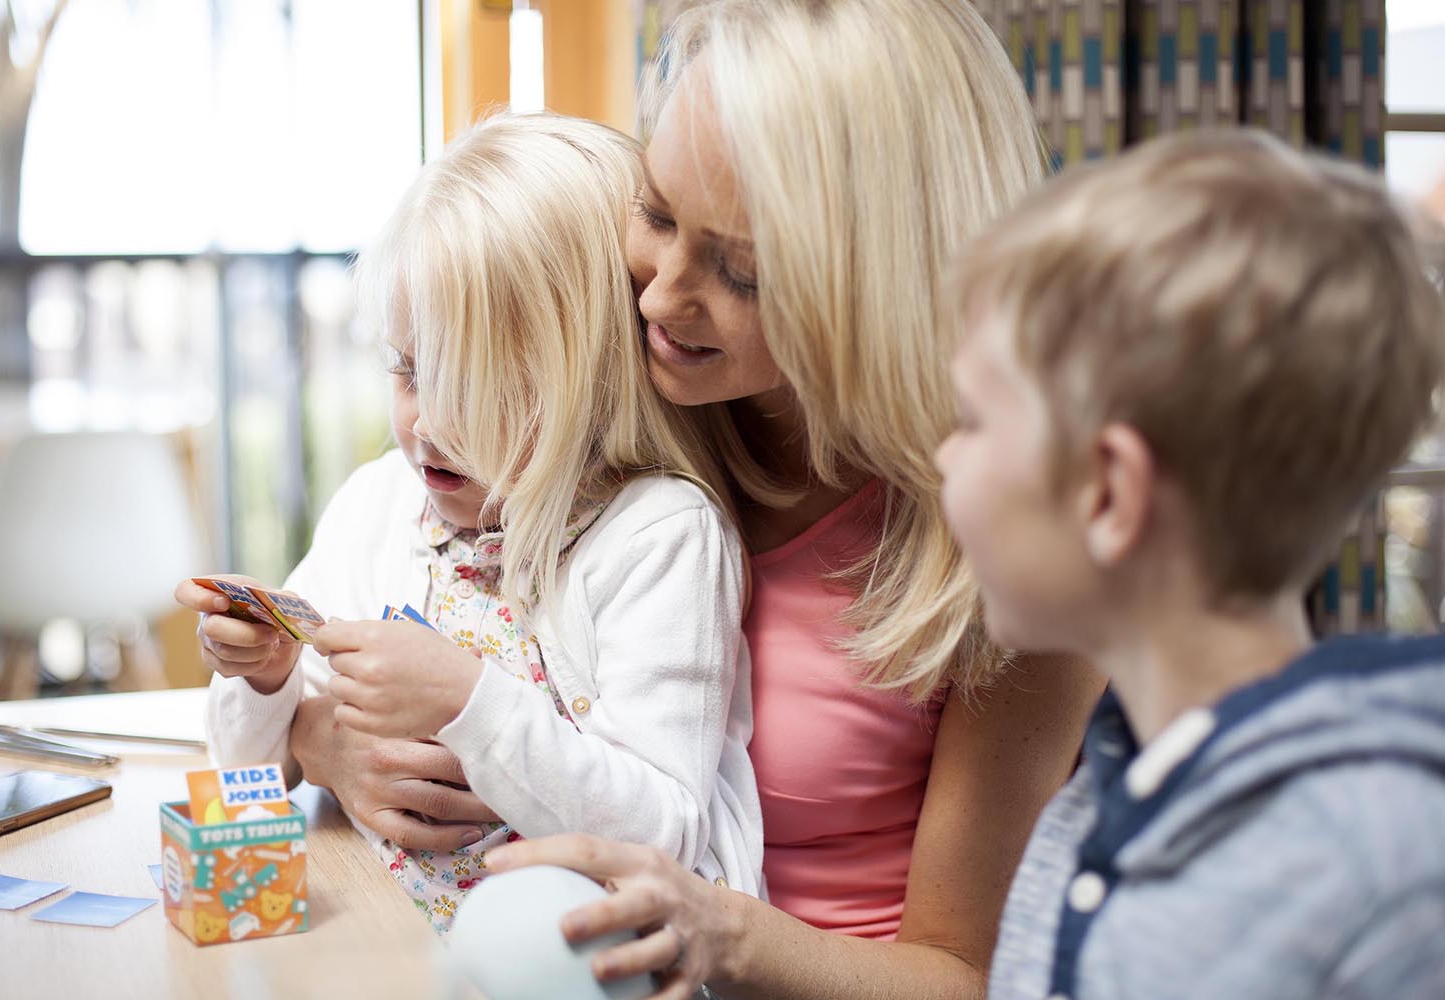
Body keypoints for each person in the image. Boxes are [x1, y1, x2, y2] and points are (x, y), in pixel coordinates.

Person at [477, 1, 1104, 996]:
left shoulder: (1015, 544)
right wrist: (323, 733)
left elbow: (965, 975)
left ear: (882, 284)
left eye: (743, 272)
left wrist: (722, 932)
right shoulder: (632, 385)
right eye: (655, 210)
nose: (659, 294)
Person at [175, 113, 763, 935]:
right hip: (371, 932)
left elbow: (663, 834)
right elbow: (242, 773)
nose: (431, 425)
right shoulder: (381, 503)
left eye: (479, 384)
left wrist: (467, 699)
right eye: (410, 371)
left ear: (590, 377)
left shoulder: (660, 536)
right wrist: (264, 680)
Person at [932, 129, 1445, 997]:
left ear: (1109, 494)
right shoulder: (1093, 808)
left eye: (974, 421)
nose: (944, 458)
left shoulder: (1385, 872)